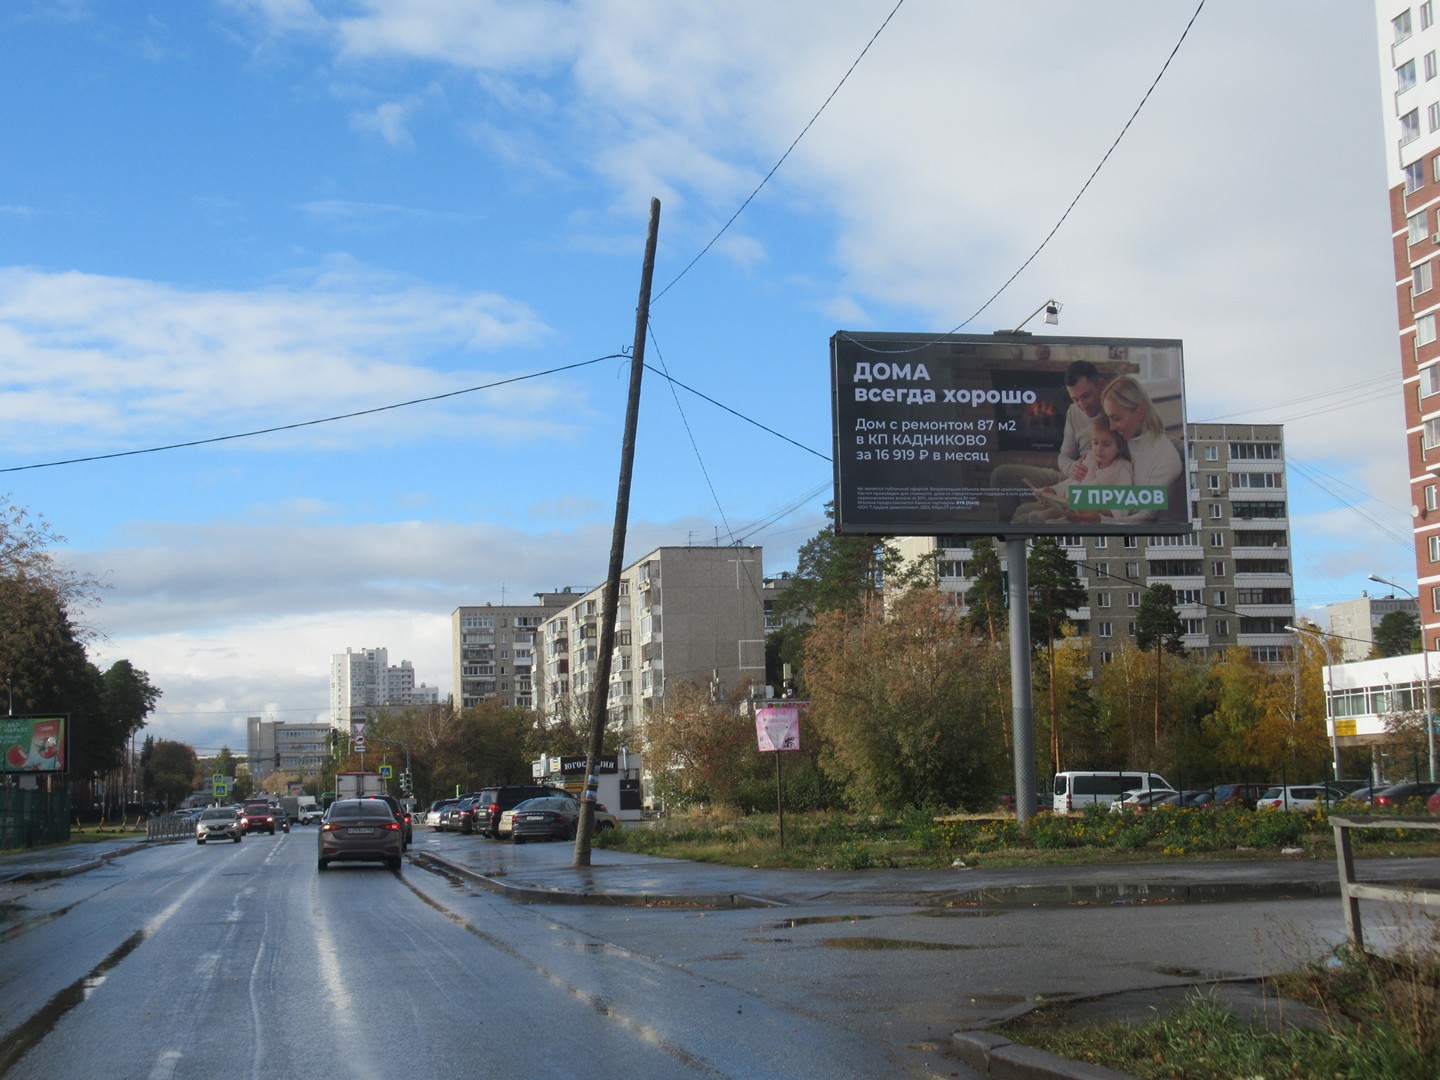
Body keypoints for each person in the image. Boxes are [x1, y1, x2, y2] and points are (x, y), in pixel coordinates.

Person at [992, 360, 1108, 521]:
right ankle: (1006, 538)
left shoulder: (1116, 414)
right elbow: (1064, 456)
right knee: (1000, 475)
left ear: (1101, 385)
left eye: (1086, 396)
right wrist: (1071, 467)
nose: (1082, 405)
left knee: (1023, 514)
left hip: (1087, 484)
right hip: (1070, 477)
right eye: (1075, 399)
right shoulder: (1074, 412)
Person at [1064, 374, 1182, 525]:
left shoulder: (1165, 461)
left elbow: (1146, 517)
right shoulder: (1127, 437)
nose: (1111, 427)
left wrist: (1100, 520)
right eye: (1109, 418)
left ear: (1139, 413)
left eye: (1117, 418)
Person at [1011, 414, 1132, 523]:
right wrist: (1053, 491)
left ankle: (1040, 524)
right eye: (1095, 443)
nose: (1099, 449)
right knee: (1023, 511)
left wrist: (1098, 512)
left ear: (1119, 448)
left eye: (1106, 445)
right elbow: (1072, 482)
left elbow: (1121, 507)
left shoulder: (1122, 469)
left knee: (1054, 520)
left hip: (1092, 514)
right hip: (1072, 504)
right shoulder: (1090, 460)